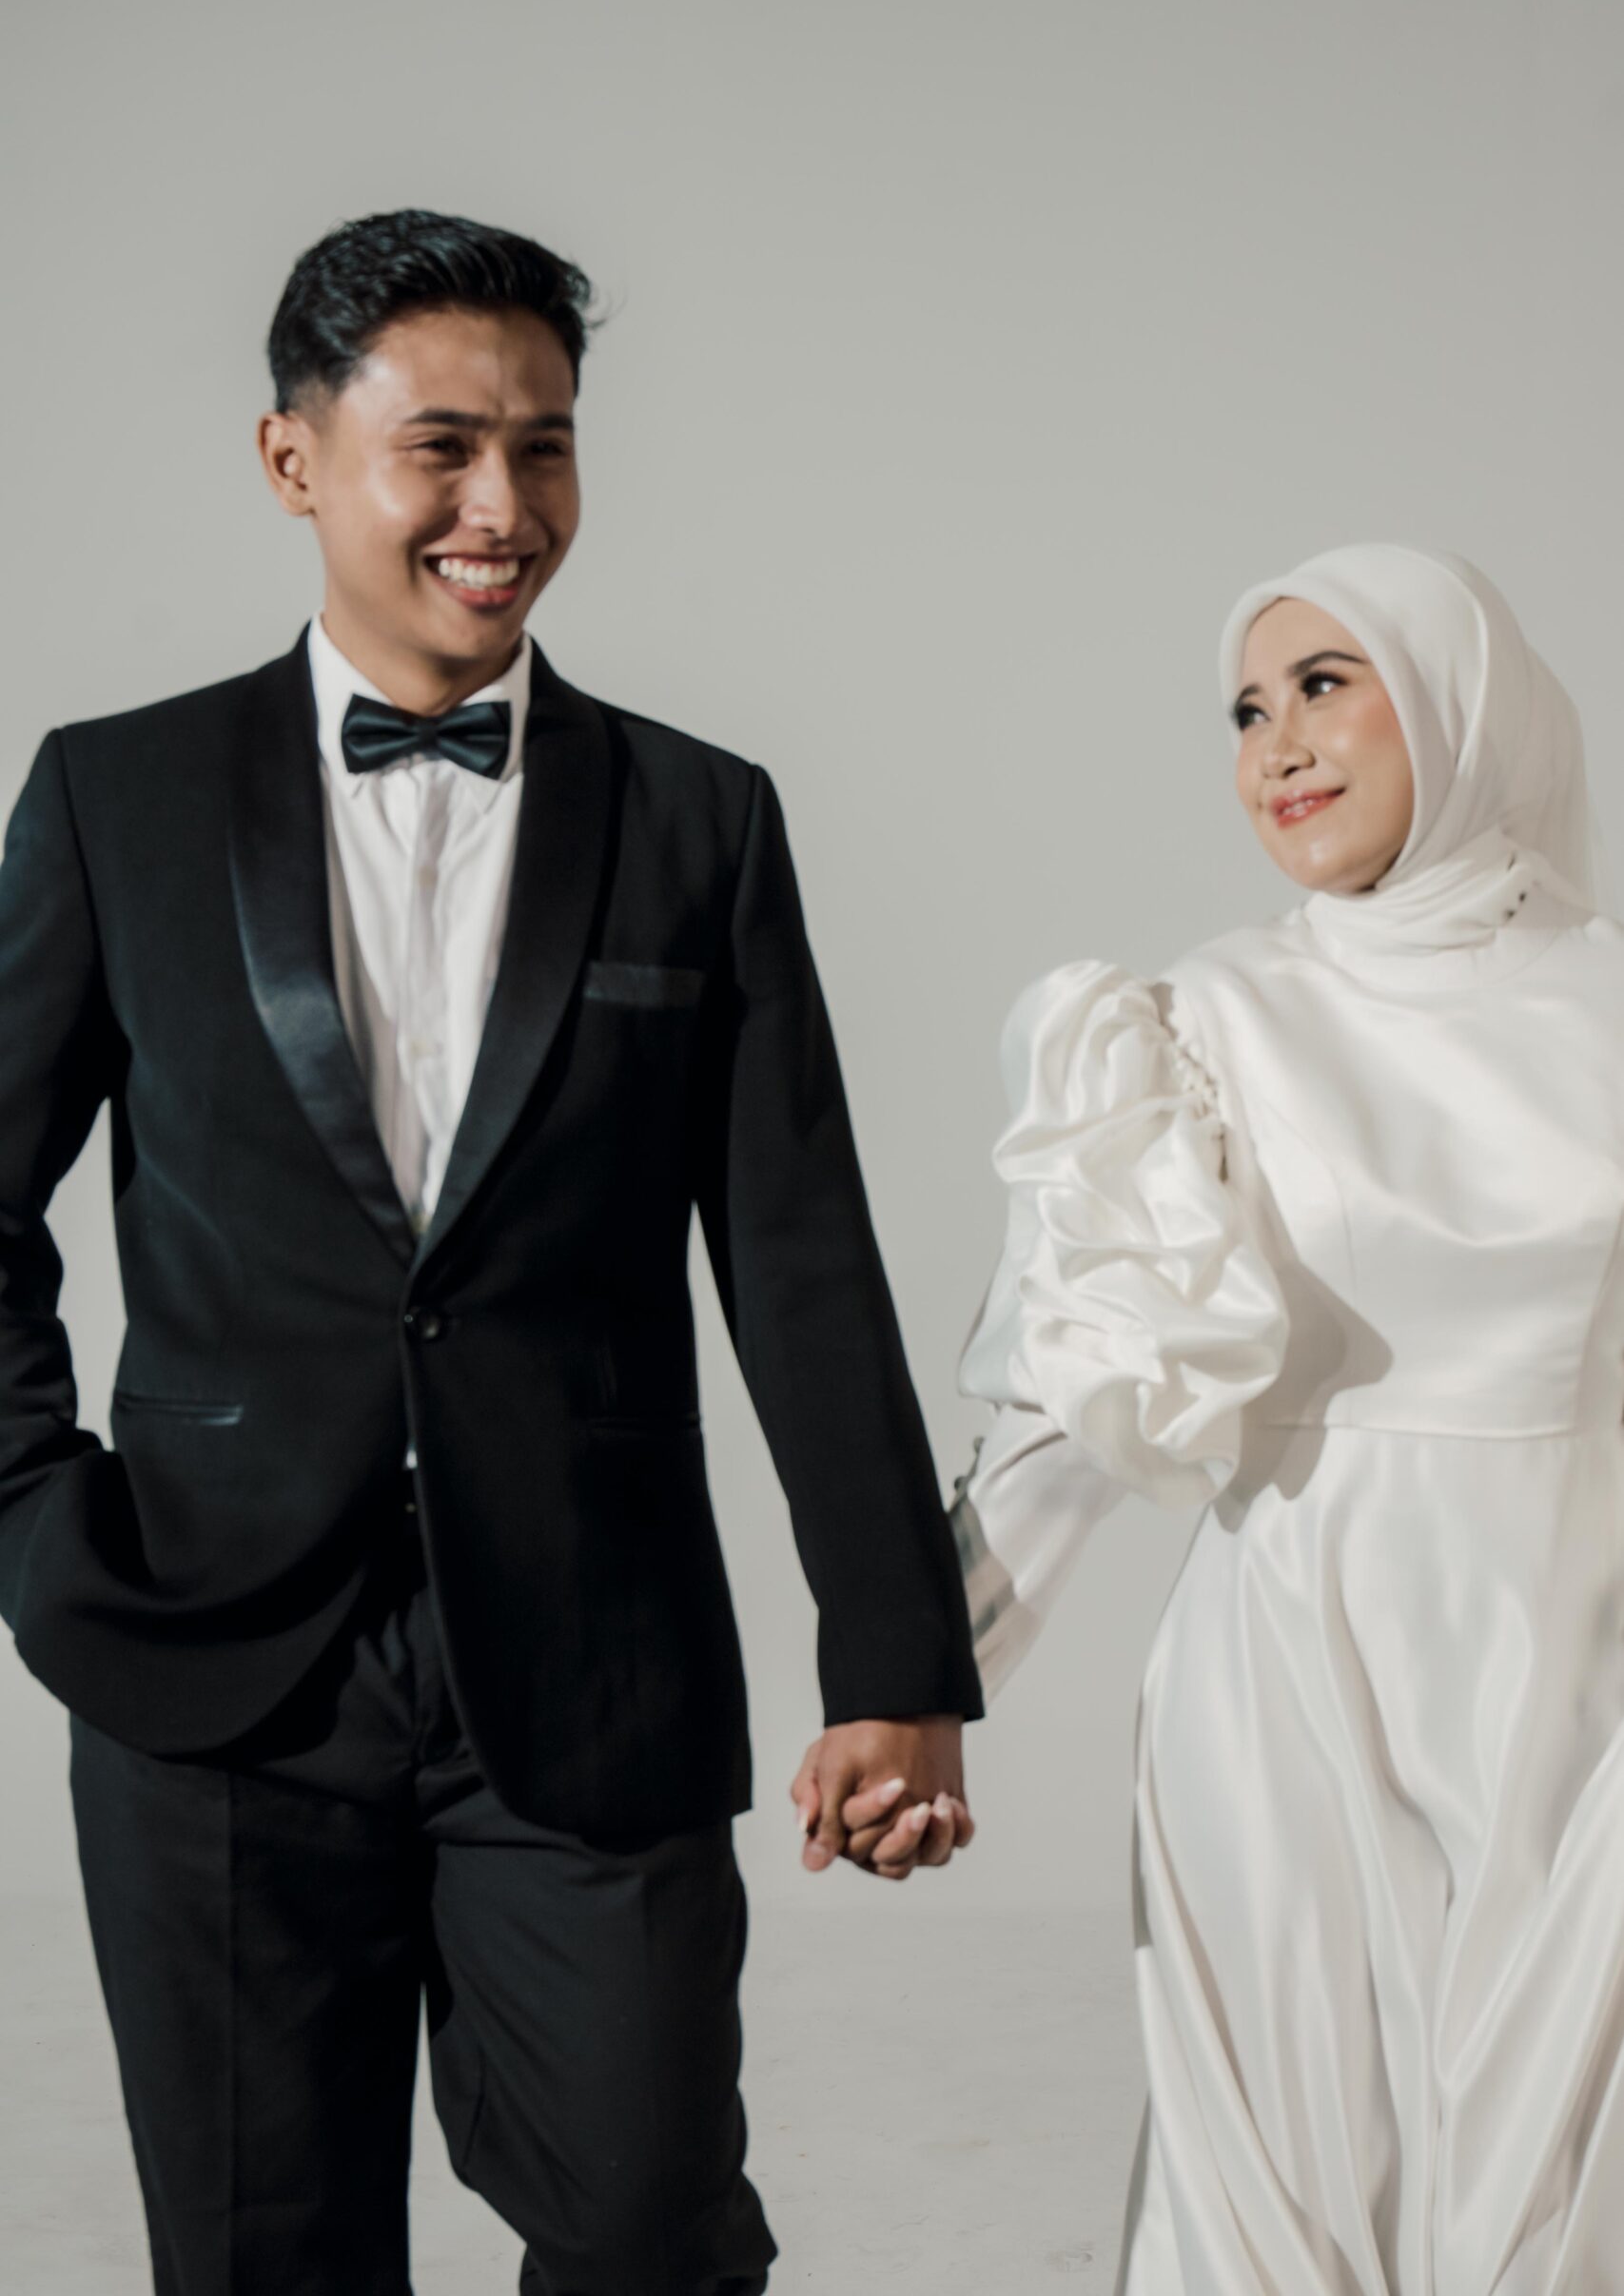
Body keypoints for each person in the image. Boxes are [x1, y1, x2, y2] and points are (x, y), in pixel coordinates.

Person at [0, 206, 981, 2296]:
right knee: (264, 2258)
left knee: (648, 2228)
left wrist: (894, 1660)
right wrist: (34, 1514)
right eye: (441, 447)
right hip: (213, 1659)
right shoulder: (115, 797)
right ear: (293, 461)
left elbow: (802, 1261)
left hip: (595, 1652)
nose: (502, 507)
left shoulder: (700, 819)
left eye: (544, 448)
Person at [951, 543, 1623, 2291]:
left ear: (1466, 701)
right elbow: (1067, 1397)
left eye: (1326, 683)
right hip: (1288, 1688)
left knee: (1558, 2210)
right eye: (1247, 711)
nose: (1278, 746)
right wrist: (919, 1680)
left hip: (1586, 1694)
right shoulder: (1194, 1022)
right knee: (1279, 2209)